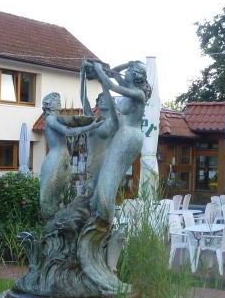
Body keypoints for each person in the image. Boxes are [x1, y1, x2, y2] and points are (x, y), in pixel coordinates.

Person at [85, 60, 151, 222]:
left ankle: (104, 219)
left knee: (108, 179)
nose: (125, 72)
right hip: (124, 134)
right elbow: (113, 73)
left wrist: (99, 69)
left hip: (128, 136)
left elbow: (110, 85)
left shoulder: (138, 94)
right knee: (107, 178)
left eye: (129, 70)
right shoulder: (130, 88)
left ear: (135, 75)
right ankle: (101, 215)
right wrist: (126, 64)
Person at [39, 92, 102, 219]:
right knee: (50, 192)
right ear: (49, 106)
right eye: (56, 101)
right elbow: (67, 131)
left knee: (60, 191)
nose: (59, 103)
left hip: (62, 158)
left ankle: (58, 219)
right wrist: (91, 126)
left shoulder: (56, 119)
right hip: (55, 158)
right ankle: (51, 220)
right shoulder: (51, 119)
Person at [79, 64, 119, 197]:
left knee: (100, 194)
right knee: (88, 194)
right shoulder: (93, 120)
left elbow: (113, 107)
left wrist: (102, 79)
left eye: (105, 99)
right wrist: (82, 75)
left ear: (111, 102)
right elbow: (83, 99)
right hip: (90, 161)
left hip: (104, 161)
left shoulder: (113, 121)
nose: (101, 101)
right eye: (99, 99)